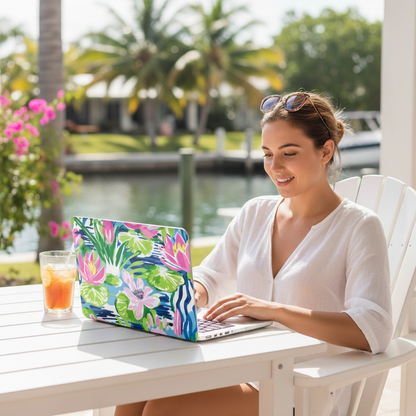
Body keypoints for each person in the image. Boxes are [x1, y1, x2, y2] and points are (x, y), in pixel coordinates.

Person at [115, 92, 393, 416]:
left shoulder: (358, 226)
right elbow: (211, 276)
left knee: (162, 411)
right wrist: (187, 292)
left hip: (304, 395)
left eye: (289, 153)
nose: (275, 167)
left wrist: (273, 310)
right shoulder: (255, 212)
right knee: (135, 387)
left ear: (326, 150)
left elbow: (373, 328)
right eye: (267, 153)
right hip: (245, 373)